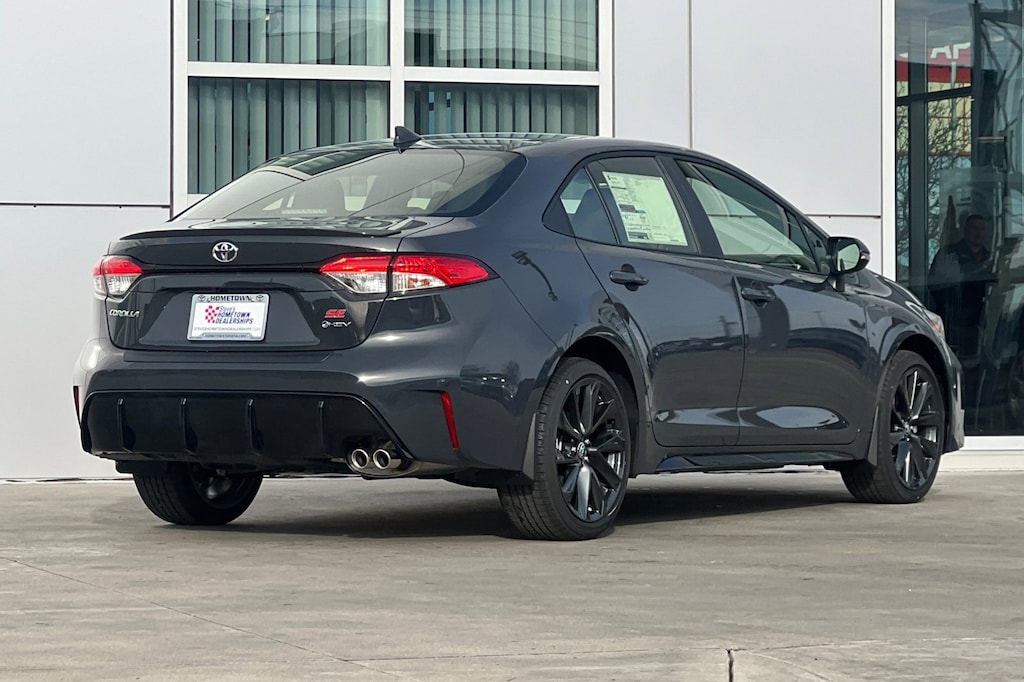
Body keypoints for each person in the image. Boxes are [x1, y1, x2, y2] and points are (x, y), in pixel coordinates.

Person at [928, 214, 992, 356]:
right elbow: (935, 285)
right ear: (965, 230)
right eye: (974, 228)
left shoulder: (991, 259)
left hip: (980, 324)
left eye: (982, 229)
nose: (978, 233)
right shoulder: (948, 254)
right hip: (952, 321)